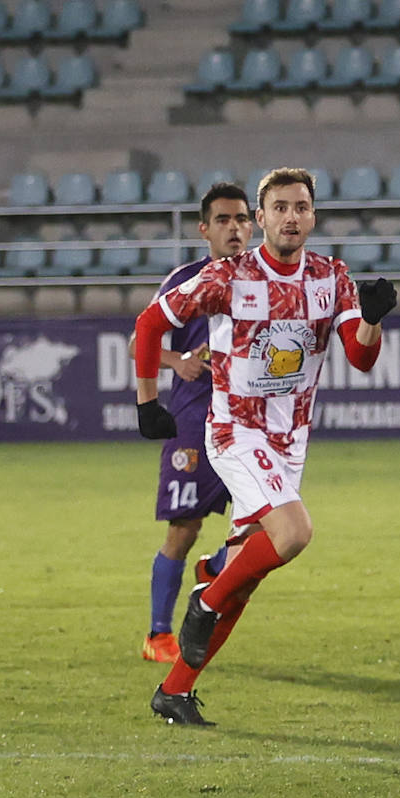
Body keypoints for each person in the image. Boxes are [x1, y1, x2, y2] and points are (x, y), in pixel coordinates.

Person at [133, 167, 398, 725]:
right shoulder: (227, 276)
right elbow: (151, 322)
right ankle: (204, 599)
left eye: (301, 207)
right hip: (235, 430)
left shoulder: (333, 277)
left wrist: (371, 319)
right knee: (295, 532)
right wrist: (146, 401)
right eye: (280, 207)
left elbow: (362, 356)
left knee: (245, 578)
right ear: (262, 218)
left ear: (313, 217)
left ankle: (175, 691)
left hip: (289, 444)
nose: (291, 217)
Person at [135, 182, 252, 663]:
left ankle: (217, 567)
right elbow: (137, 342)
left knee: (261, 530)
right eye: (223, 220)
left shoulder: (270, 280)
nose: (234, 228)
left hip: (249, 425)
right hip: (193, 421)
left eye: (242, 219)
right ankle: (158, 635)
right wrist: (177, 358)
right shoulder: (186, 279)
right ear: (204, 229)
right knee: (184, 527)